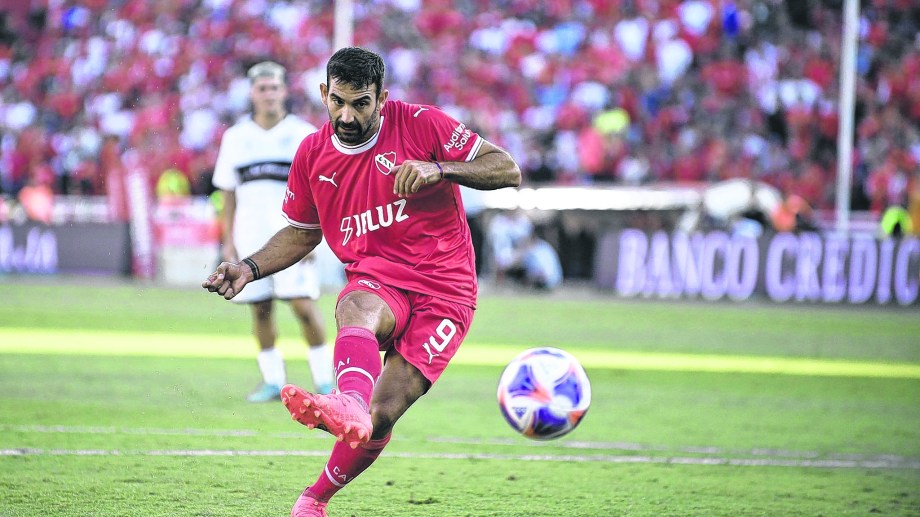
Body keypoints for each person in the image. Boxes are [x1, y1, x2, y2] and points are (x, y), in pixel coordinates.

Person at [203, 47, 521, 516]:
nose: (346, 116)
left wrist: (440, 168)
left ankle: (314, 498)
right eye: (338, 102)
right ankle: (348, 398)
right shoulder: (312, 153)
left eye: (360, 104)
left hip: (445, 290)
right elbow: (302, 231)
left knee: (382, 413)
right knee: (356, 307)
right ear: (323, 94)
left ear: (382, 98)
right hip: (377, 277)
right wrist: (248, 268)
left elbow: (507, 169)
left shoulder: (421, 124)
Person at [211, 61, 333, 403]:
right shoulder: (236, 138)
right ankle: (273, 382)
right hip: (249, 238)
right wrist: (228, 241)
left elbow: (320, 189)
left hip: (292, 237)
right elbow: (228, 193)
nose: (268, 94)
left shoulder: (303, 134)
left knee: (303, 307)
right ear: (252, 93)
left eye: (274, 88)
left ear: (284, 91)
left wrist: (312, 237)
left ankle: (325, 381)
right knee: (260, 309)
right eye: (262, 88)